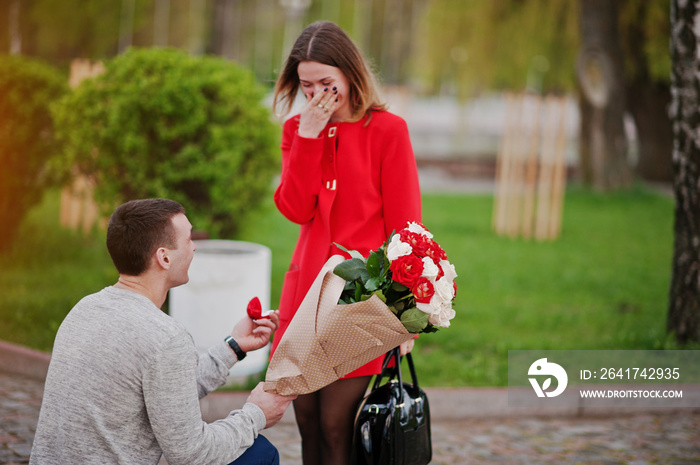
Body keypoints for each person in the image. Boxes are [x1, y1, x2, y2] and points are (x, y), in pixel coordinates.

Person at [30, 198, 296, 465]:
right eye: (189, 239)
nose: (194, 248)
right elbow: (192, 453)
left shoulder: (84, 309)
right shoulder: (165, 338)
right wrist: (256, 414)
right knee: (259, 453)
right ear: (164, 257)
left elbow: (167, 396)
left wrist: (234, 347)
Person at [271, 21, 422, 465]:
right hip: (305, 298)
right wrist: (309, 139)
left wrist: (406, 311)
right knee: (307, 426)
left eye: (326, 83)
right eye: (305, 85)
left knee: (337, 427)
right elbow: (295, 209)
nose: (316, 95)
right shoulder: (298, 130)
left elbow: (405, 226)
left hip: (361, 299)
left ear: (350, 75)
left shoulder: (388, 130)